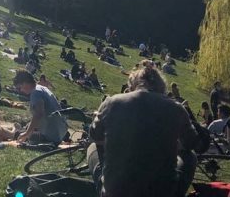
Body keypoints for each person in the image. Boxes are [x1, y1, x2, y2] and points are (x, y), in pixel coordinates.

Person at [86, 62, 200, 197]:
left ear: (131, 85)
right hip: (162, 193)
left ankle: (105, 186)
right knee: (190, 156)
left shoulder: (111, 102)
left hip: (117, 192)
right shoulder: (176, 108)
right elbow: (192, 143)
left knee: (93, 147)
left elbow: (95, 135)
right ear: (161, 86)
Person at [13, 70, 67, 145]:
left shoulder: (35, 93)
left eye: (20, 88)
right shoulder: (42, 88)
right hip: (60, 132)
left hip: (50, 136)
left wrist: (27, 133)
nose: (21, 91)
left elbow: (39, 114)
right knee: (28, 127)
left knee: (18, 134)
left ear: (25, 83)